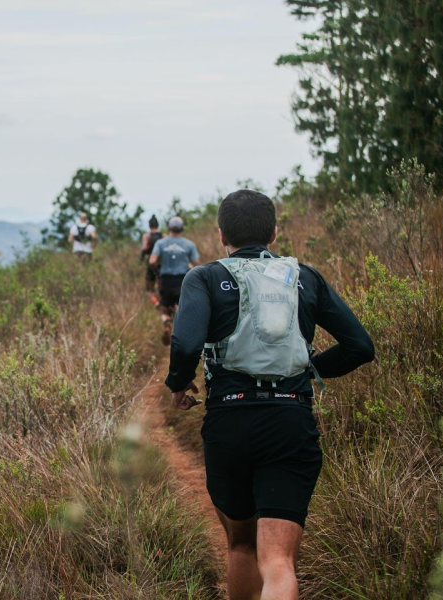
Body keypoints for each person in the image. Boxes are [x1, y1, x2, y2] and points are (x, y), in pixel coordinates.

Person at [166, 190, 375, 600]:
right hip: (290, 423)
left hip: (229, 425)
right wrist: (312, 368)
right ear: (274, 233)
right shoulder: (305, 278)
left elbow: (186, 344)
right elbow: (360, 347)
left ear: (221, 233)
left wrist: (178, 383)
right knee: (278, 560)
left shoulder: (204, 277)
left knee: (240, 544)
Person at [149, 216, 199, 345]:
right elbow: (197, 263)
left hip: (166, 280)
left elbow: (152, 261)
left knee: (165, 309)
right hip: (183, 280)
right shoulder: (189, 244)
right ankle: (182, 334)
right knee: (182, 307)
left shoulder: (160, 243)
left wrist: (158, 272)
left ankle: (167, 324)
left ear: (168, 228)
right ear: (182, 228)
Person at [140, 216, 164, 293]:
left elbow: (144, 248)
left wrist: (141, 258)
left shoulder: (147, 236)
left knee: (150, 286)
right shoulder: (163, 236)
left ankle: (154, 301)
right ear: (157, 225)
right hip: (161, 261)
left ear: (149, 225)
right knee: (161, 283)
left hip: (151, 261)